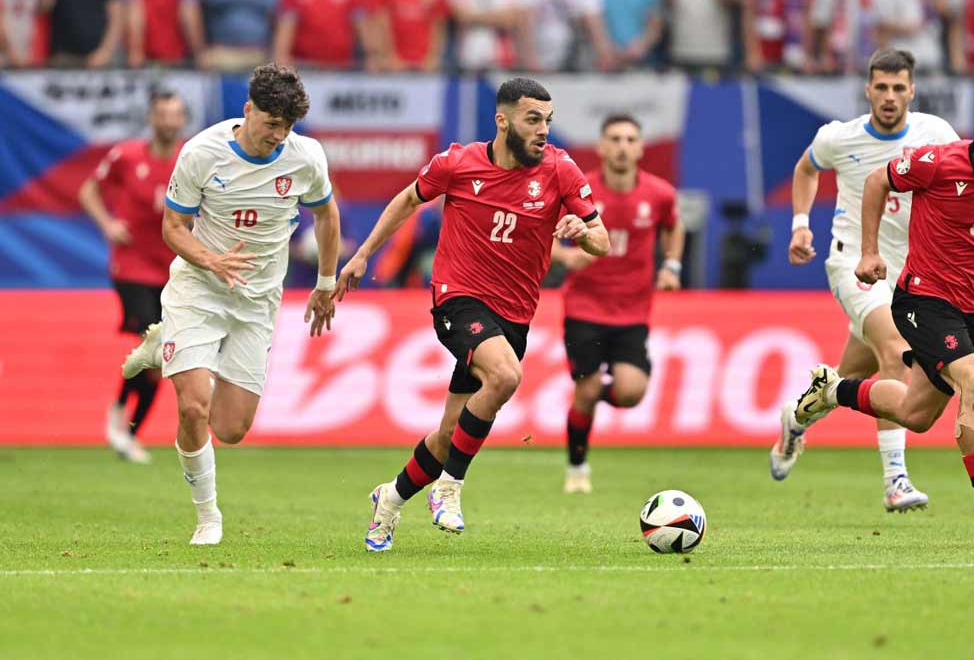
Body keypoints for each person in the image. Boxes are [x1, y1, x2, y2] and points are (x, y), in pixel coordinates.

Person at [783, 98, 974, 545]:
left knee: (914, 413)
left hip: (969, 308)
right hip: (921, 298)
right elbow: (877, 180)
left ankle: (832, 390)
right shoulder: (936, 162)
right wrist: (869, 251)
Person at [341, 78, 609, 551]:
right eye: (532, 119)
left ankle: (390, 499)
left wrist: (582, 232)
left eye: (548, 121)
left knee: (448, 435)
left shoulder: (560, 170)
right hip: (457, 298)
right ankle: (449, 488)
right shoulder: (457, 163)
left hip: (514, 315)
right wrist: (363, 254)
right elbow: (408, 200)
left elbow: (602, 241)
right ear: (502, 121)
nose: (543, 130)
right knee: (505, 376)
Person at [120, 64, 342, 545]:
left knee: (231, 428)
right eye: (272, 123)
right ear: (248, 110)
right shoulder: (202, 153)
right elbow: (173, 228)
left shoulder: (305, 157)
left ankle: (165, 345)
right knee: (193, 408)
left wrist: (325, 282)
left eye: (288, 126)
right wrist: (212, 260)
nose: (279, 135)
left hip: (257, 301)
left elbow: (326, 215)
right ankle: (208, 517)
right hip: (199, 290)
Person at [773, 48, 958, 512]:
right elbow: (806, 168)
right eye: (881, 87)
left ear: (912, 90)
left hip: (910, 273)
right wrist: (800, 224)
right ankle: (896, 480)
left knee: (850, 379)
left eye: (898, 88)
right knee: (897, 350)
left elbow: (960, 183)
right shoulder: (839, 137)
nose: (889, 96)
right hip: (853, 262)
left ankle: (797, 419)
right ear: (868, 90)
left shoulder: (936, 134)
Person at [552, 114, 683, 494]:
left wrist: (671, 266)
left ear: (640, 148)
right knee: (587, 388)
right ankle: (577, 468)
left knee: (630, 393)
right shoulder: (581, 193)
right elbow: (543, 233)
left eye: (630, 139)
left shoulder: (659, 194)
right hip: (584, 308)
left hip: (633, 311)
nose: (622, 146)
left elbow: (674, 226)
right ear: (601, 147)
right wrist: (566, 257)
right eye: (615, 139)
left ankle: (591, 397)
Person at [79, 91, 188, 464]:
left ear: (182, 120)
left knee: (159, 360)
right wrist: (108, 224)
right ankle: (119, 416)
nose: (168, 122)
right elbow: (88, 190)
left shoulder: (190, 158)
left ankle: (127, 429)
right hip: (132, 266)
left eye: (175, 115)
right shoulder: (126, 156)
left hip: (173, 269)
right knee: (151, 338)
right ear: (151, 118)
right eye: (163, 114)